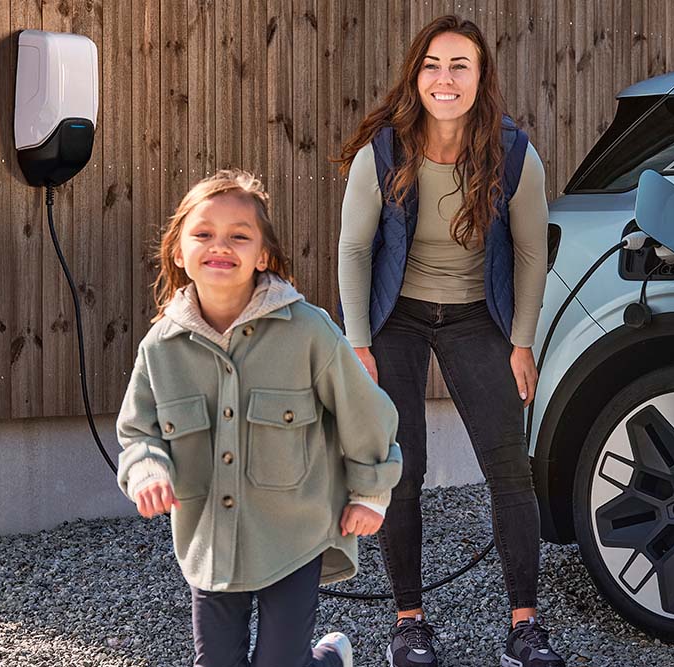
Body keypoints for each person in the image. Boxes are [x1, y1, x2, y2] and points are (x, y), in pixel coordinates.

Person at [336, 15, 563, 667]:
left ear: (481, 76)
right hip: (397, 316)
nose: (446, 78)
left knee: (510, 468)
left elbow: (528, 253)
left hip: (474, 317)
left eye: (460, 65)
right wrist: (358, 342)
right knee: (403, 468)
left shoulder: (514, 153)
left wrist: (522, 342)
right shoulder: (383, 151)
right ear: (417, 74)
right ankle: (410, 624)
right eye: (433, 64)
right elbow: (354, 247)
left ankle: (525, 628)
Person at [116, 169, 403, 667]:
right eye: (203, 234)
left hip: (295, 534)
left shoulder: (309, 332)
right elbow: (138, 429)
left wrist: (371, 490)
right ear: (179, 252)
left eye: (239, 236)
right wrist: (147, 468)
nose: (219, 245)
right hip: (210, 541)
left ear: (263, 255)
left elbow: (367, 412)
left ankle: (328, 659)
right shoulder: (160, 348)